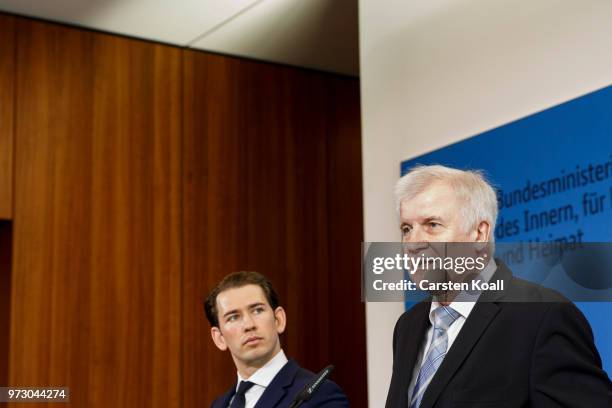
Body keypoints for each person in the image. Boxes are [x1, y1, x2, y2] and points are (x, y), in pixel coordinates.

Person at [385, 165, 612, 407]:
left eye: (432, 224)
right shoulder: (408, 327)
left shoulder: (542, 315)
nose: (413, 243)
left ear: (480, 233)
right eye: (406, 229)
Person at [205, 271, 349, 408]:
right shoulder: (219, 404)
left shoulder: (319, 394)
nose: (249, 325)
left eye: (257, 310)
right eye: (233, 317)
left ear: (279, 320)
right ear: (219, 338)